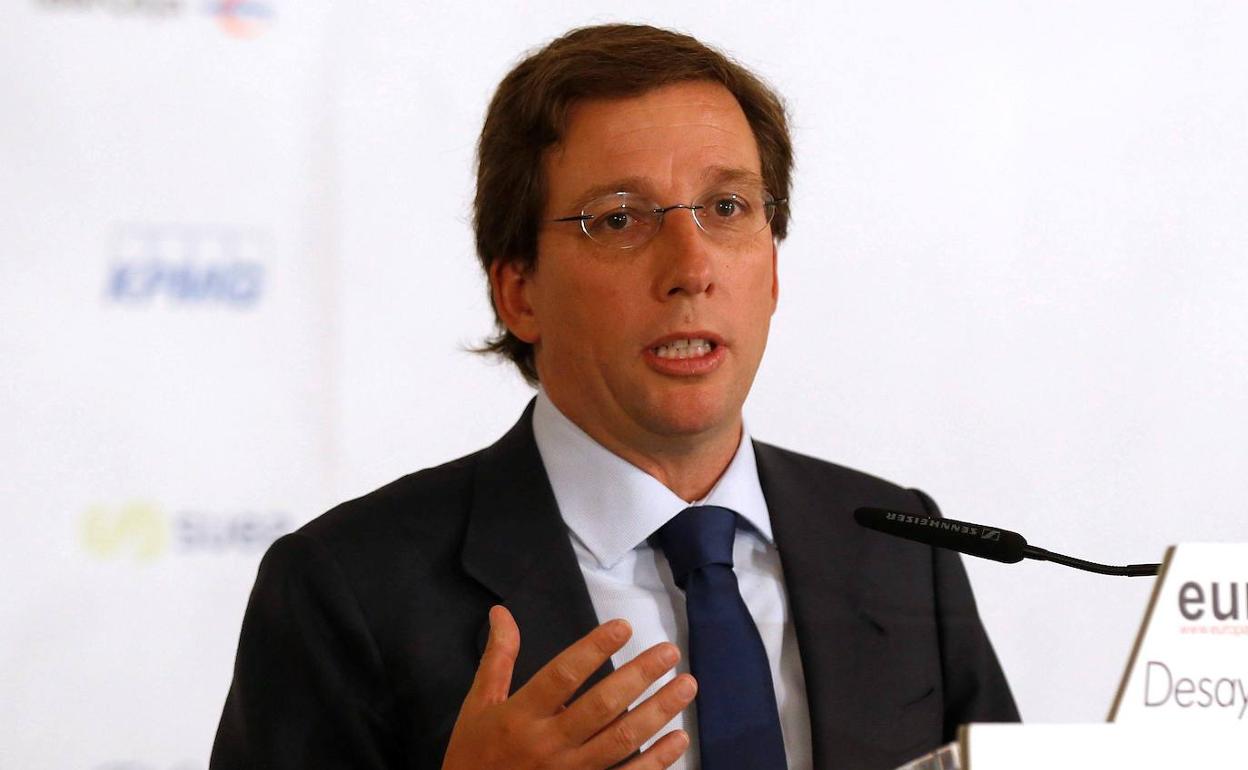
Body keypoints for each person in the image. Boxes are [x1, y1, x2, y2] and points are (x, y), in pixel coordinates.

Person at [210, 23, 1019, 770]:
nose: (691, 268)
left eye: (727, 208)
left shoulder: (902, 550)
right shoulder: (346, 587)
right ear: (519, 292)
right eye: (621, 220)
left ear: (772, 270)